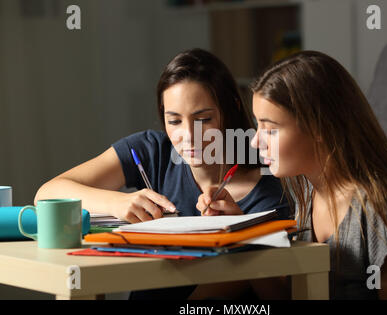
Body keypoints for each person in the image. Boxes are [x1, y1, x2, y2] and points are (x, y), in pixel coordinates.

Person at [34, 48, 290, 299]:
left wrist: (244, 236)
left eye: (203, 119)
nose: (189, 136)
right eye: (175, 121)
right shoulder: (153, 151)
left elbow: (280, 293)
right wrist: (118, 202)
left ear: (232, 108)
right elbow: (48, 193)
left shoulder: (270, 188)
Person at [197, 50, 387, 299]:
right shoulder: (307, 193)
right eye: (257, 125)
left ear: (318, 127)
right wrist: (243, 234)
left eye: (270, 129)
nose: (255, 141)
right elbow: (291, 296)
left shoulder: (380, 209)